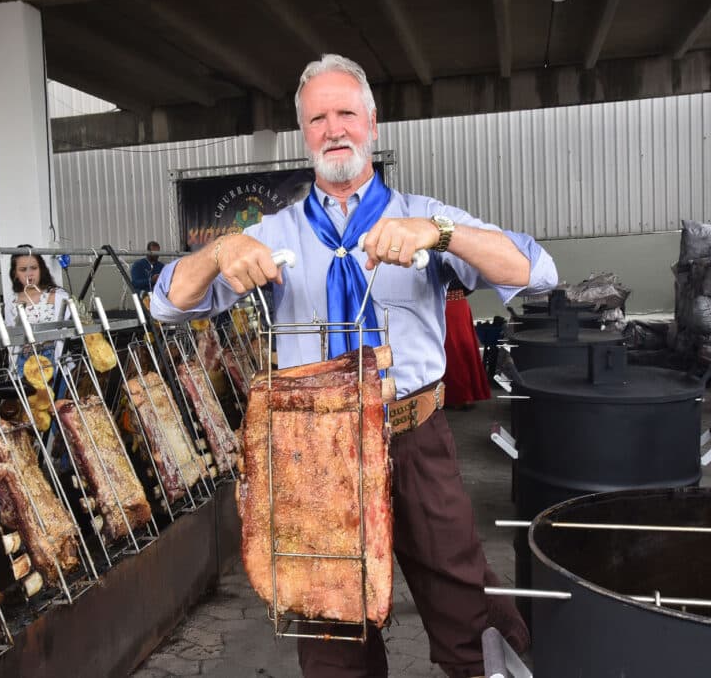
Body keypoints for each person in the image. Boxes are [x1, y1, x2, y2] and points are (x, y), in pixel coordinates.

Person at [149, 54, 557, 677]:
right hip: (314, 450)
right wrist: (220, 251)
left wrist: (440, 235)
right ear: (304, 134)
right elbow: (165, 304)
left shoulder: (422, 214)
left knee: (463, 605)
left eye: (346, 113)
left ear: (371, 121)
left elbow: (534, 271)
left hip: (413, 436)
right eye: (318, 118)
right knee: (332, 629)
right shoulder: (273, 233)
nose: (333, 128)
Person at [5, 247, 69, 372]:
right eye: (23, 270)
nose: (29, 274)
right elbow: (12, 340)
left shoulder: (58, 296)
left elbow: (68, 333)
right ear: (15, 274)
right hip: (24, 364)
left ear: (41, 269)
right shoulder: (11, 303)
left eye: (34, 268)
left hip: (55, 361)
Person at [442, 279, 492, 410]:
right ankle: (459, 396)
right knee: (457, 349)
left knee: (455, 350)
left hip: (450, 306)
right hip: (455, 304)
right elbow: (471, 282)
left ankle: (460, 396)